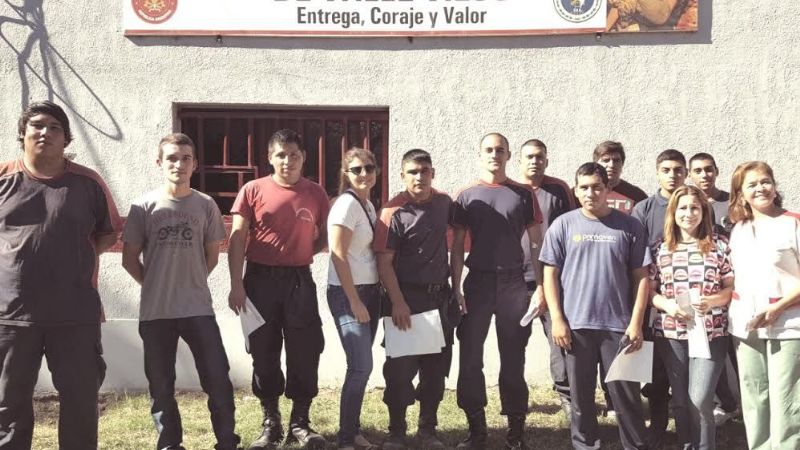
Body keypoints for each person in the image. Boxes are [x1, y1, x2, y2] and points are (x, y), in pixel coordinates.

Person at [0, 101, 121, 450]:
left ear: (66, 139)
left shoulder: (87, 183)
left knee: (80, 402)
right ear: (22, 134)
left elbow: (109, 232)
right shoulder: (4, 177)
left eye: (55, 127)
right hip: (11, 315)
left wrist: (74, 260)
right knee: (8, 404)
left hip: (75, 314)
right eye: (37, 125)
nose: (45, 133)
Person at [122, 133, 241, 450]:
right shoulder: (143, 206)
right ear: (159, 162)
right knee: (161, 386)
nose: (179, 164)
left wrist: (190, 281)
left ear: (195, 164)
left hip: (198, 309)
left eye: (185, 158)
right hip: (156, 312)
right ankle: (169, 444)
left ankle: (227, 441)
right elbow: (129, 259)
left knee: (217, 378)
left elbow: (212, 256)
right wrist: (155, 284)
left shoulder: (206, 205)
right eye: (172, 158)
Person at [228, 129, 329, 450]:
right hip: (259, 282)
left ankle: (300, 422)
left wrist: (300, 253)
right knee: (263, 352)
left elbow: (326, 235)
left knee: (306, 350)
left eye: (294, 154)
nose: (288, 160)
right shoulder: (252, 190)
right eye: (281, 154)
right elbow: (237, 239)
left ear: (304, 157)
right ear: (270, 158)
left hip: (299, 282)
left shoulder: (316, 193)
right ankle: (271, 423)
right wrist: (236, 284)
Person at [540, 162, 650, 450]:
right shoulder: (563, 225)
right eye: (584, 188)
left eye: (597, 187)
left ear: (607, 189)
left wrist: (636, 323)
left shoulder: (630, 226)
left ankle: (635, 445)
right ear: (576, 191)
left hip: (619, 326)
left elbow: (642, 278)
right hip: (576, 326)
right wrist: (557, 319)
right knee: (581, 398)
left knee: (626, 397)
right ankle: (585, 445)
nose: (591, 193)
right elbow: (550, 275)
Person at [451, 132, 544, 450]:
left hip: (513, 284)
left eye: (500, 150)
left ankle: (515, 432)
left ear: (508, 155)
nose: (494, 154)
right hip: (477, 283)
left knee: (513, 358)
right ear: (480, 155)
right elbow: (456, 247)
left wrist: (541, 287)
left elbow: (537, 244)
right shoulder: (466, 195)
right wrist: (456, 288)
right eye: (489, 150)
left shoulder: (523, 194)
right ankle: (476, 430)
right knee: (470, 357)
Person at [374, 149, 454, 450]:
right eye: (413, 172)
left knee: (435, 372)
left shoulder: (444, 203)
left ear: (433, 173)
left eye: (424, 171)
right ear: (402, 175)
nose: (419, 177)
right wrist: (397, 302)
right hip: (406, 300)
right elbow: (384, 263)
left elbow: (458, 239)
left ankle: (427, 431)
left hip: (439, 300)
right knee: (400, 372)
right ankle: (396, 432)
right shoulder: (392, 211)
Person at [649, 185, 733, 450]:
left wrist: (712, 301)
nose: (689, 213)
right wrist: (668, 305)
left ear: (704, 211)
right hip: (671, 333)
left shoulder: (719, 246)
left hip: (711, 331)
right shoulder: (660, 249)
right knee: (680, 399)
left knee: (699, 397)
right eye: (683, 208)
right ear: (673, 213)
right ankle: (687, 444)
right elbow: (649, 291)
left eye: (694, 208)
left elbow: (731, 288)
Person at [727, 161, 800, 450]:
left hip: (788, 324)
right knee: (754, 397)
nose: (761, 188)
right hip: (746, 326)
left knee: (786, 399)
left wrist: (778, 307)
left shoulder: (793, 223)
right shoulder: (739, 229)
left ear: (774, 185)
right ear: (741, 194)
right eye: (752, 185)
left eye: (765, 181)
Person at [515, 139, 576, 417]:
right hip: (518, 280)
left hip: (554, 279)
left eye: (539, 157)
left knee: (559, 340)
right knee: (515, 342)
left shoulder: (559, 189)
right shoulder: (511, 191)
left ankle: (566, 395)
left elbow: (572, 228)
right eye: (529, 157)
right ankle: (516, 399)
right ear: (519, 161)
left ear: (546, 161)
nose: (534, 161)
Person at [326, 148, 381, 450]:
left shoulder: (367, 205)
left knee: (361, 366)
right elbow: (338, 254)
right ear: (345, 174)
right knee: (360, 366)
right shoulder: (346, 205)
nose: (364, 174)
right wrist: (354, 301)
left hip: (370, 291)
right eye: (356, 169)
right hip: (349, 293)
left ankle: (353, 430)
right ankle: (347, 437)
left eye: (369, 168)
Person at [632, 148, 687, 446]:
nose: (672, 175)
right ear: (657, 173)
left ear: (685, 172)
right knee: (655, 369)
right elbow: (636, 257)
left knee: (686, 369)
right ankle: (657, 425)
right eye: (666, 170)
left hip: (690, 298)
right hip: (655, 298)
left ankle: (689, 426)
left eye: (678, 169)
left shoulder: (694, 203)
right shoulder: (644, 209)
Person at [687, 152, 740, 425]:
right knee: (707, 353)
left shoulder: (733, 204)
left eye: (708, 169)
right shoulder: (688, 205)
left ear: (717, 171)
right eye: (697, 170)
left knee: (732, 353)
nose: (704, 175)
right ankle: (722, 403)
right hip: (700, 298)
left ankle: (738, 404)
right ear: (690, 174)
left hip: (732, 288)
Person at [592, 141, 647, 214]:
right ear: (596, 164)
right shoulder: (586, 193)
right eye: (606, 160)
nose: (611, 165)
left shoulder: (637, 195)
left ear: (622, 164)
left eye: (616, 160)